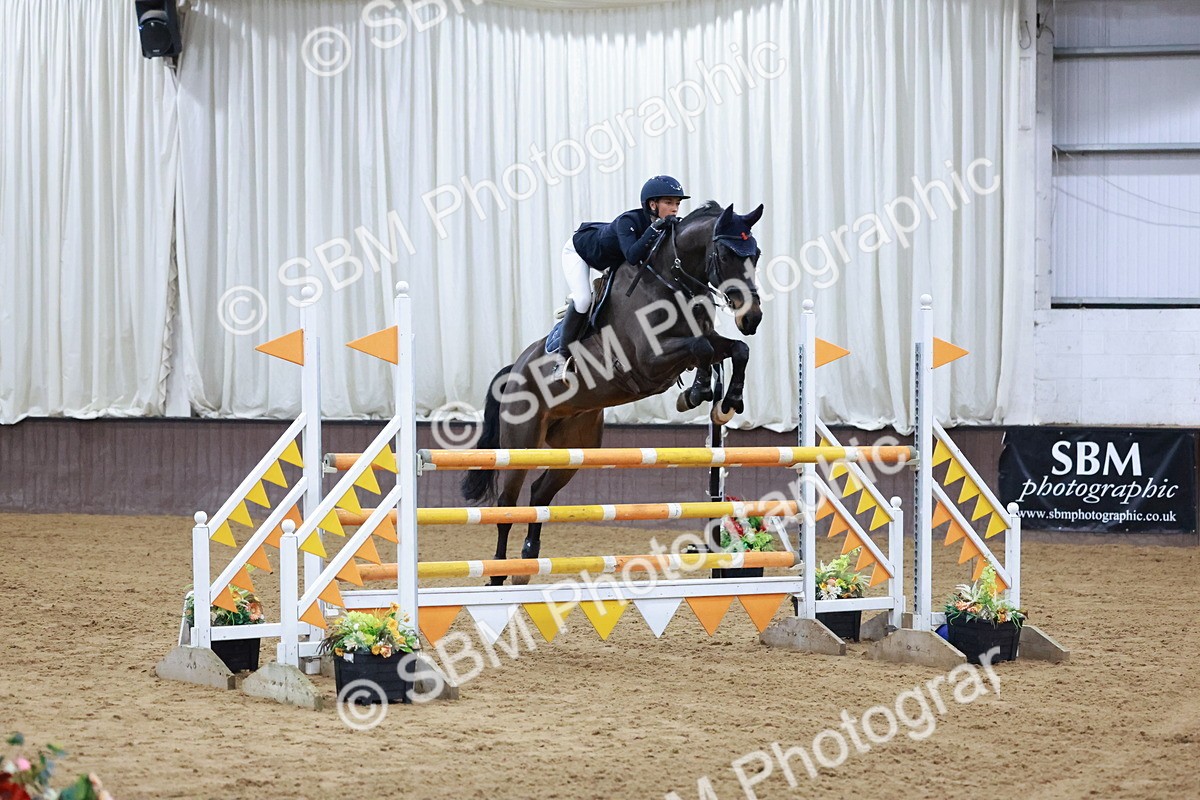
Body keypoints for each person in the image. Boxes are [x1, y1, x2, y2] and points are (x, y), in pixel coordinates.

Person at [554, 175, 689, 379]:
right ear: (652, 204)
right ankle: (562, 358)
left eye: (677, 204)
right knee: (583, 299)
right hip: (581, 252)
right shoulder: (629, 221)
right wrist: (655, 228)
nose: (675, 209)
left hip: (613, 260)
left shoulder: (663, 225)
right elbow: (634, 256)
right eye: (668, 202)